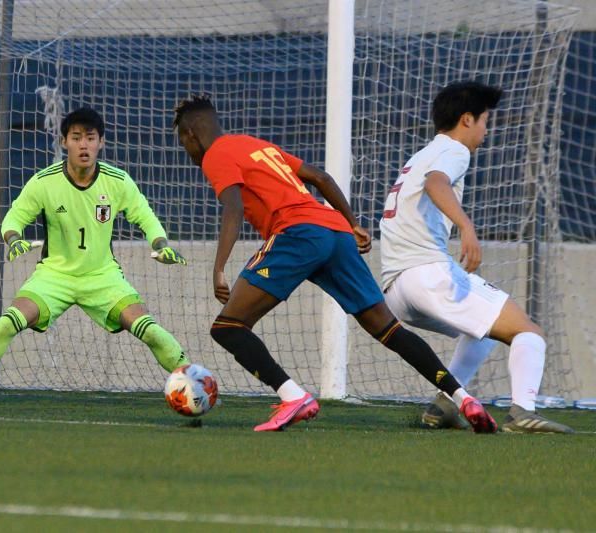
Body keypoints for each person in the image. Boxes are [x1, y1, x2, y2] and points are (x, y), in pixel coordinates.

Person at [173, 94, 497, 432]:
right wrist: (353, 222)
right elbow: (321, 178)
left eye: (183, 140)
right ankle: (463, 398)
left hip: (298, 234)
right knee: (388, 329)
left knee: (228, 327)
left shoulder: (216, 155)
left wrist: (218, 267)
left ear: (192, 134)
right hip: (336, 233)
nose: (187, 149)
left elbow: (233, 207)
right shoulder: (253, 145)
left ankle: (292, 396)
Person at [0, 108, 188, 404]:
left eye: (90, 138)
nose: (83, 145)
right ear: (63, 142)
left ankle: (195, 383)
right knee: (9, 321)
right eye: (76, 138)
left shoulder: (118, 181)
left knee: (149, 330)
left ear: (101, 143)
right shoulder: (45, 182)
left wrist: (160, 243)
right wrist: (14, 239)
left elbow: (145, 216)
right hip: (54, 276)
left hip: (102, 277)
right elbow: (13, 219)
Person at [379, 81, 573, 433]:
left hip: (396, 291)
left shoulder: (421, 155)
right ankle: (522, 412)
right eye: (485, 121)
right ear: (466, 119)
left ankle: (444, 405)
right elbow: (437, 183)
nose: (487, 130)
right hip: (428, 275)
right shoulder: (454, 151)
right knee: (528, 331)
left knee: (482, 331)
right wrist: (467, 227)